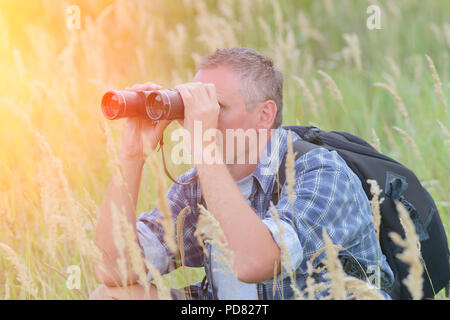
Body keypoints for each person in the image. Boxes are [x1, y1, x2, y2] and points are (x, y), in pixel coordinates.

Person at [90, 47, 394, 300]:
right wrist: (132, 156)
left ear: (264, 115)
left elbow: (255, 263)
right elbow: (115, 270)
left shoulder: (320, 172)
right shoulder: (198, 184)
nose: (200, 120)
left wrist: (205, 149)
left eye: (216, 107)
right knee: (111, 295)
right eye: (194, 109)